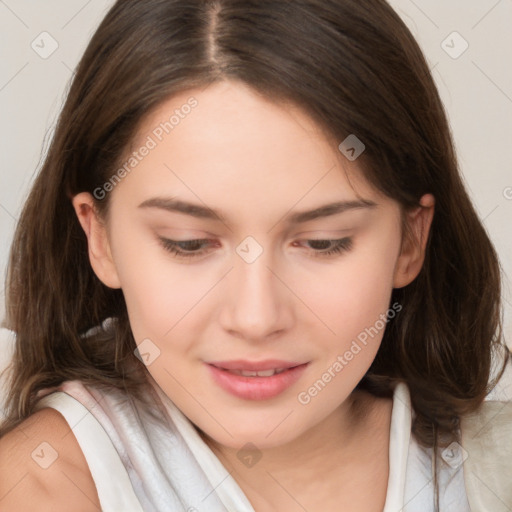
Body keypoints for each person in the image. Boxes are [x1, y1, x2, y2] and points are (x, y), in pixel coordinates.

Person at [0, 0, 511, 510]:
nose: (256, 318)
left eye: (323, 242)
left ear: (410, 240)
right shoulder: (40, 485)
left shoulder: (495, 467)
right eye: (188, 243)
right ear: (100, 239)